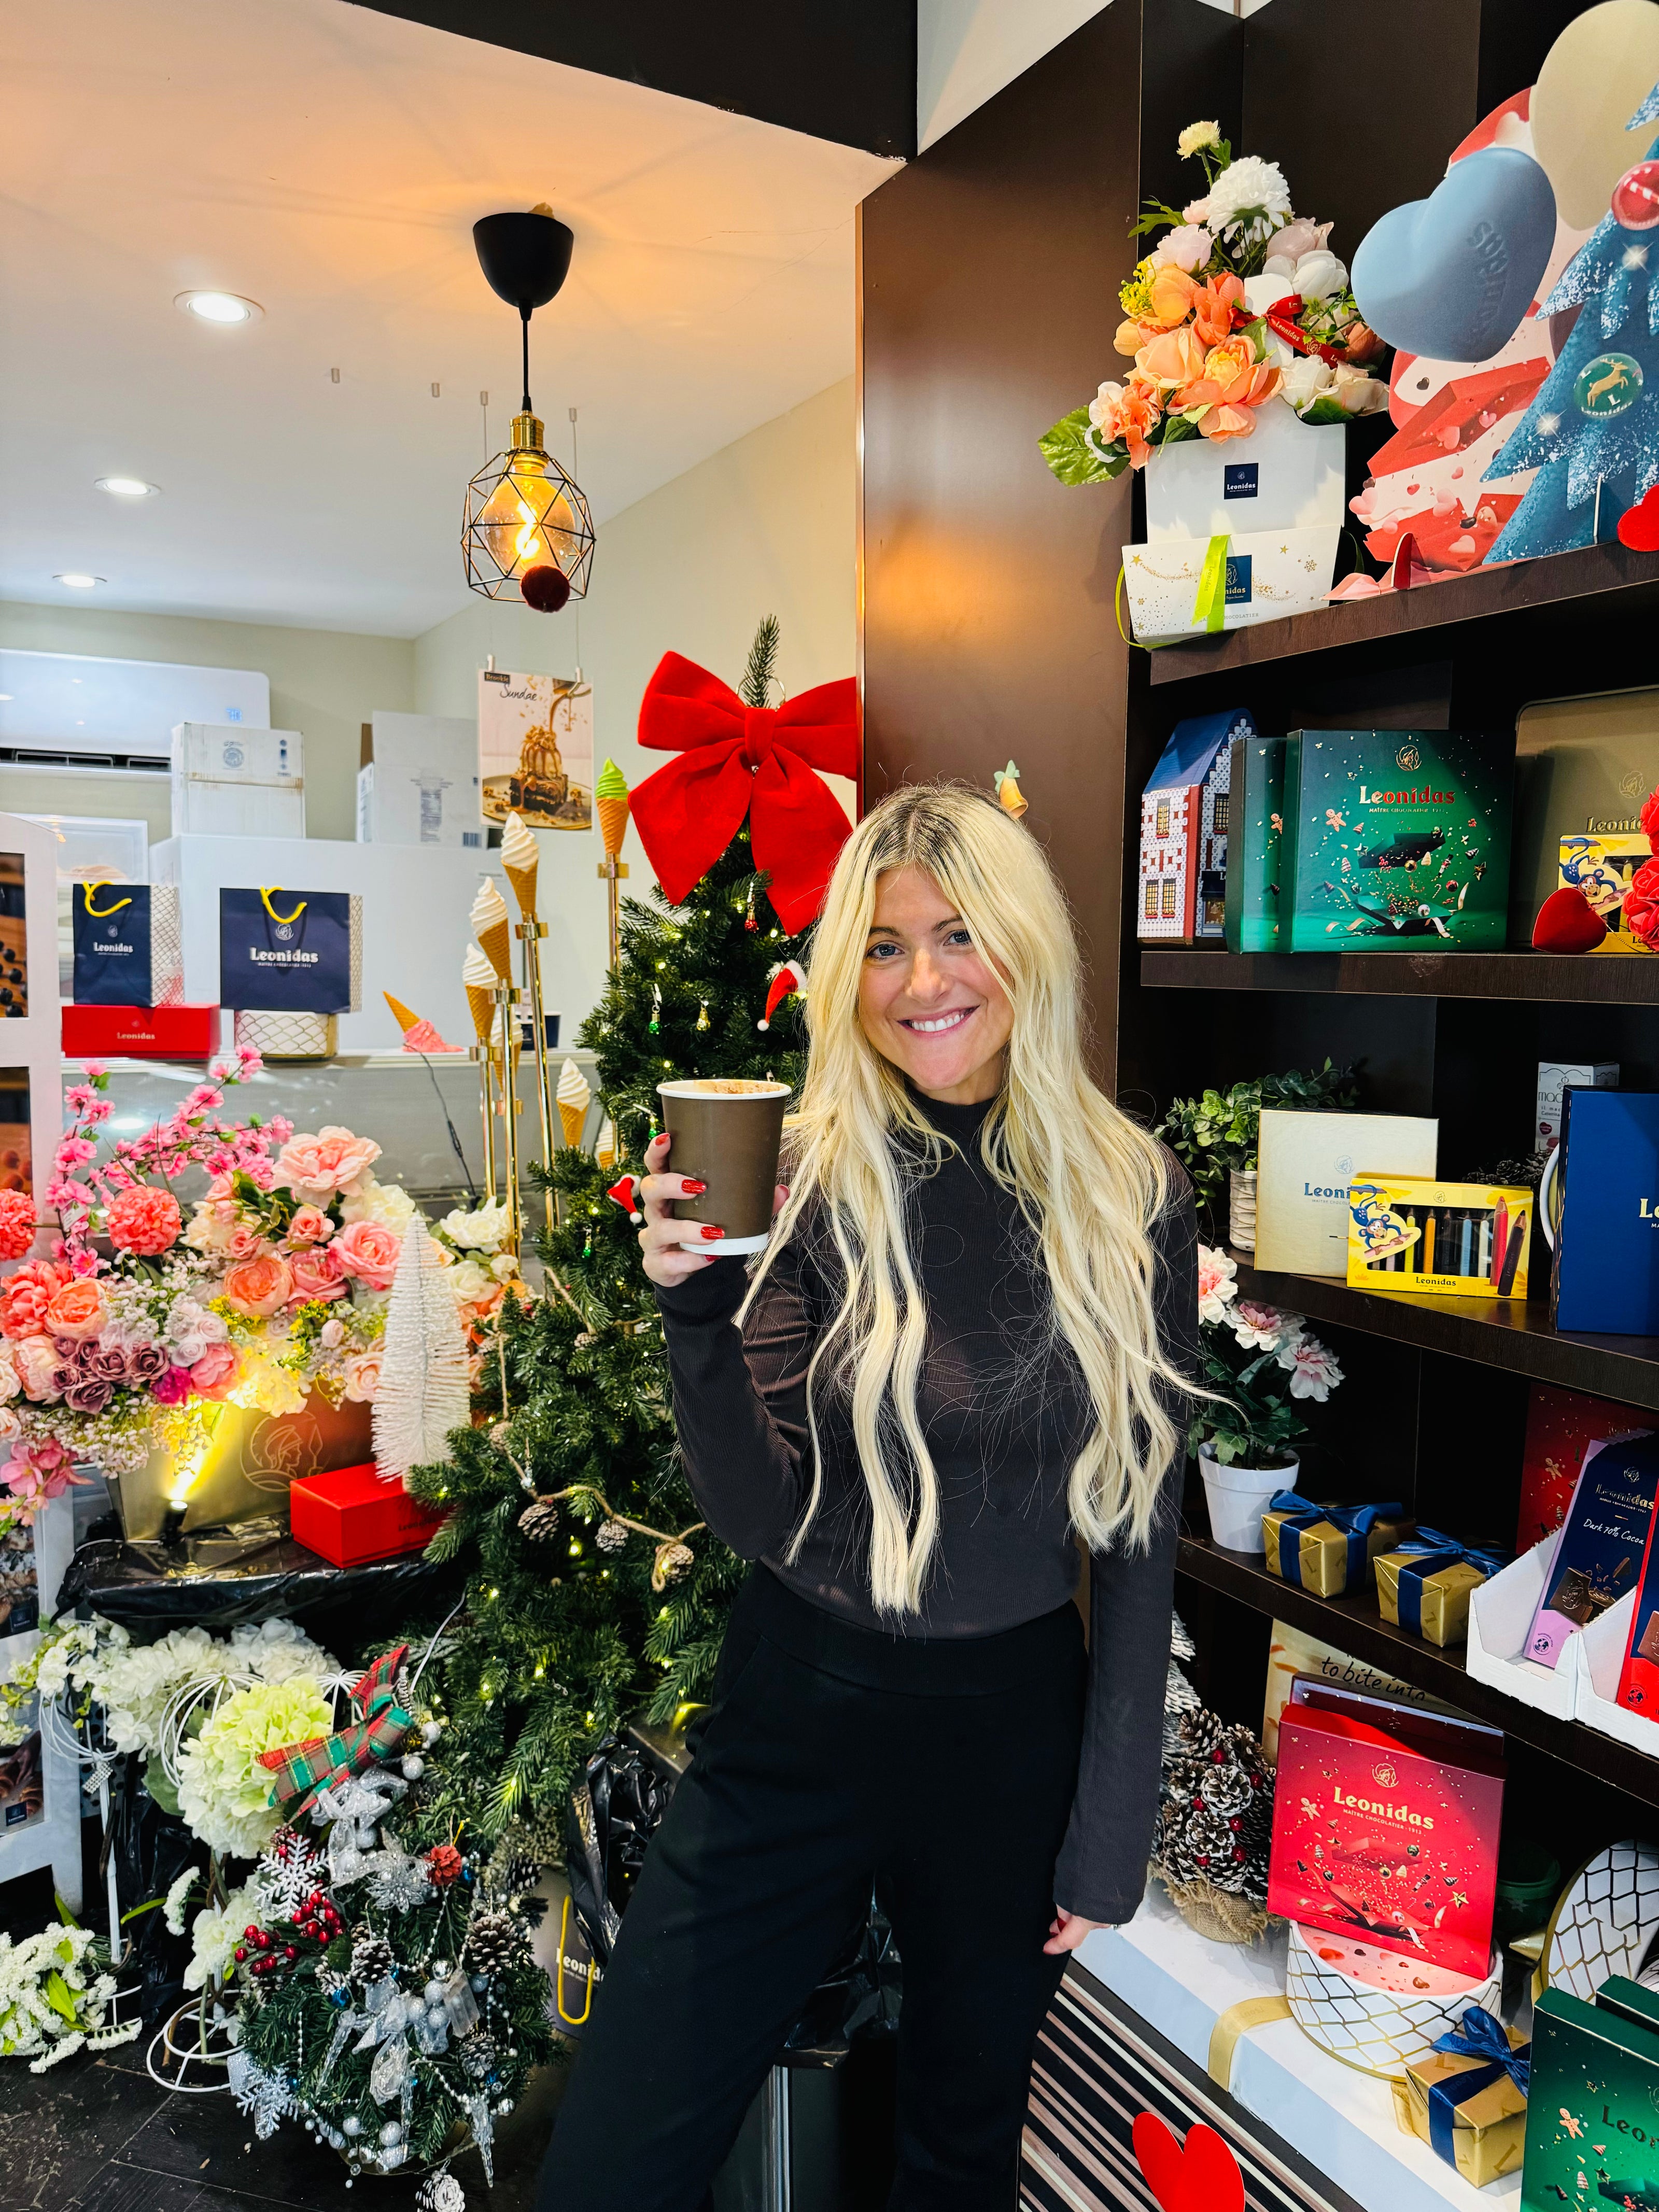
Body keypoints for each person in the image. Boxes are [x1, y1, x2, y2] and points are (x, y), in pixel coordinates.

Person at [536, 782, 1198, 2211]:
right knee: (616, 2157)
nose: (922, 982)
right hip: (801, 1708)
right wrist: (694, 1319)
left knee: (957, 2160)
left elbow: (1141, 1530)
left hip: (1011, 1738)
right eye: (885, 947)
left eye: (958, 934)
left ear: (1025, 943)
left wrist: (1111, 1825)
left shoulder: (1130, 1193)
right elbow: (762, 1514)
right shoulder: (805, 1170)